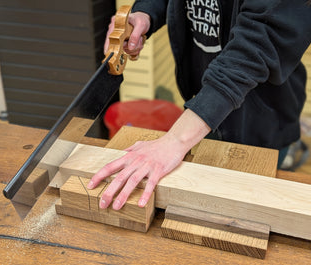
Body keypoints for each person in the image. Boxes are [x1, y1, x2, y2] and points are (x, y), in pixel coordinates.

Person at [87, 0, 311, 210]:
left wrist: (175, 140)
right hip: (202, 112)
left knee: (244, 210)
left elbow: (256, 45)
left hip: (260, 122)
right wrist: (146, 12)